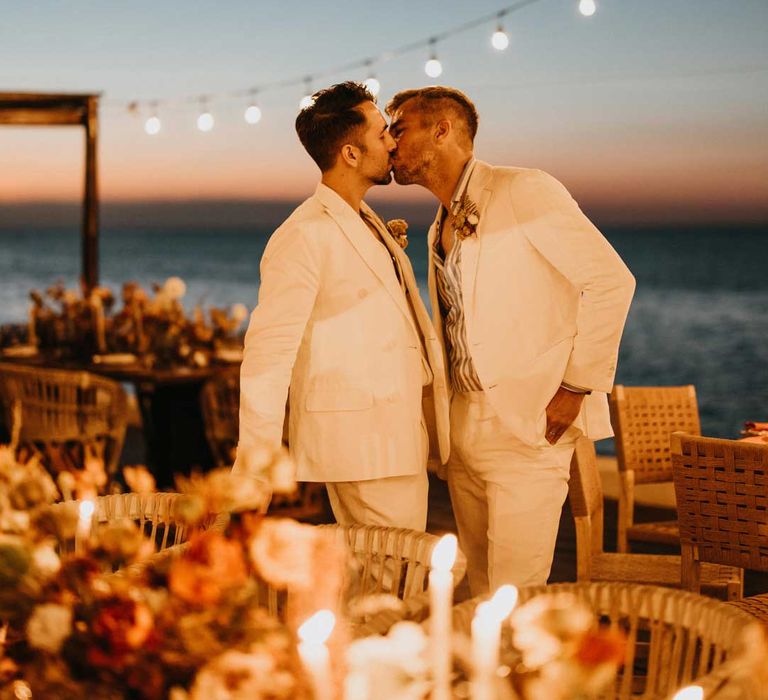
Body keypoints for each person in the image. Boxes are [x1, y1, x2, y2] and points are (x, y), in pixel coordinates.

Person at [386, 86, 635, 594]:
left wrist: (576, 387)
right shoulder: (438, 222)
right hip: (464, 429)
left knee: (514, 593)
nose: (390, 142)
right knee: (479, 588)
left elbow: (612, 282)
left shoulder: (525, 189)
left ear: (442, 130)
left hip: (530, 420)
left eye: (400, 127)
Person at [233, 82, 449, 531]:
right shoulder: (305, 234)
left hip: (394, 434)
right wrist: (257, 466)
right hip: (363, 444)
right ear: (350, 153)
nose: (393, 142)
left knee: (376, 577)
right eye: (381, 133)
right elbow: (268, 355)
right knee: (393, 576)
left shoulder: (365, 219)